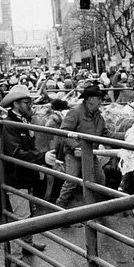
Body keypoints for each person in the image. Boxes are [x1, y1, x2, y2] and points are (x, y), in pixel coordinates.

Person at [0, 84, 47, 266]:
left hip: (25, 176)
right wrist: (42, 157)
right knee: (21, 217)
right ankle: (16, 262)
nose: (30, 105)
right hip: (16, 177)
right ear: (16, 103)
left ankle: (28, 244)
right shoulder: (10, 125)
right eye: (27, 102)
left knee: (29, 212)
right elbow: (16, 153)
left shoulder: (22, 121)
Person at [51, 82, 108, 212]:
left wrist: (127, 134)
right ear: (89, 99)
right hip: (75, 154)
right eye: (98, 98)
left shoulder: (98, 116)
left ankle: (95, 209)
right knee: (72, 181)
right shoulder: (75, 112)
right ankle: (60, 209)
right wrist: (77, 147)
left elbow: (106, 133)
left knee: (100, 180)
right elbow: (64, 132)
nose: (101, 101)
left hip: (90, 153)